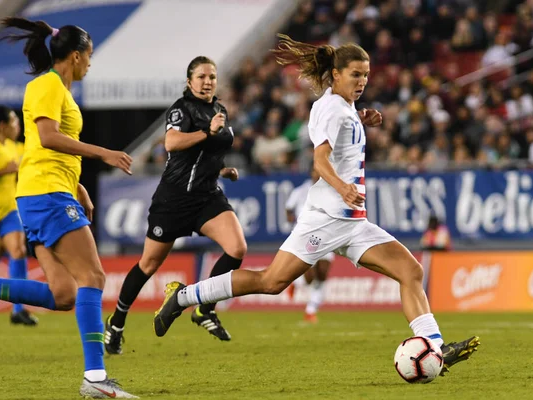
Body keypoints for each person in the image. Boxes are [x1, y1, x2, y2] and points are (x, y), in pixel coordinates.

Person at [153, 34, 480, 374]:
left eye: (366, 75)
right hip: (325, 219)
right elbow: (319, 160)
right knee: (271, 282)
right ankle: (183, 297)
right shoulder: (332, 110)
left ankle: (435, 351)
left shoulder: (343, 107)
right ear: (336, 74)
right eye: (356, 74)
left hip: (353, 223)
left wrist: (362, 116)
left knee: (411, 271)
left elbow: (341, 130)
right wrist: (343, 187)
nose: (362, 81)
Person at [0, 17, 137, 398]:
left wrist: (78, 187)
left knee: (64, 294)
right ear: (75, 56)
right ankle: (95, 379)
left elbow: (47, 148)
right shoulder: (47, 85)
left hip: (47, 192)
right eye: (89, 56)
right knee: (92, 278)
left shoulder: (58, 90)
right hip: (46, 195)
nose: (90, 63)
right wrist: (103, 153)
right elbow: (47, 137)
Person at [104, 56, 245, 355]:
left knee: (237, 249)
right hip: (174, 199)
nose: (208, 81)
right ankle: (116, 322)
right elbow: (171, 143)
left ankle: (204, 309)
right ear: (189, 81)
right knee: (149, 264)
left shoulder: (219, 109)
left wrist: (221, 170)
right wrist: (208, 131)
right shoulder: (182, 109)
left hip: (207, 196)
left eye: (212, 77)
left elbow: (204, 155)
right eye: (202, 76)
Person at [0, 105, 38, 325]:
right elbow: (11, 167)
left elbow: (34, 152)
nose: (18, 126)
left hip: (9, 211)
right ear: (2, 126)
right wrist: (6, 169)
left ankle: (18, 309)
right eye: (14, 122)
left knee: (18, 250)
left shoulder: (14, 147)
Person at [286, 167, 334, 323]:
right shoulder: (301, 191)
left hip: (326, 234)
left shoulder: (330, 189)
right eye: (315, 171)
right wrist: (295, 224)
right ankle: (297, 282)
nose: (318, 174)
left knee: (323, 273)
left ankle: (311, 310)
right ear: (311, 173)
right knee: (309, 277)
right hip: (307, 235)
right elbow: (289, 208)